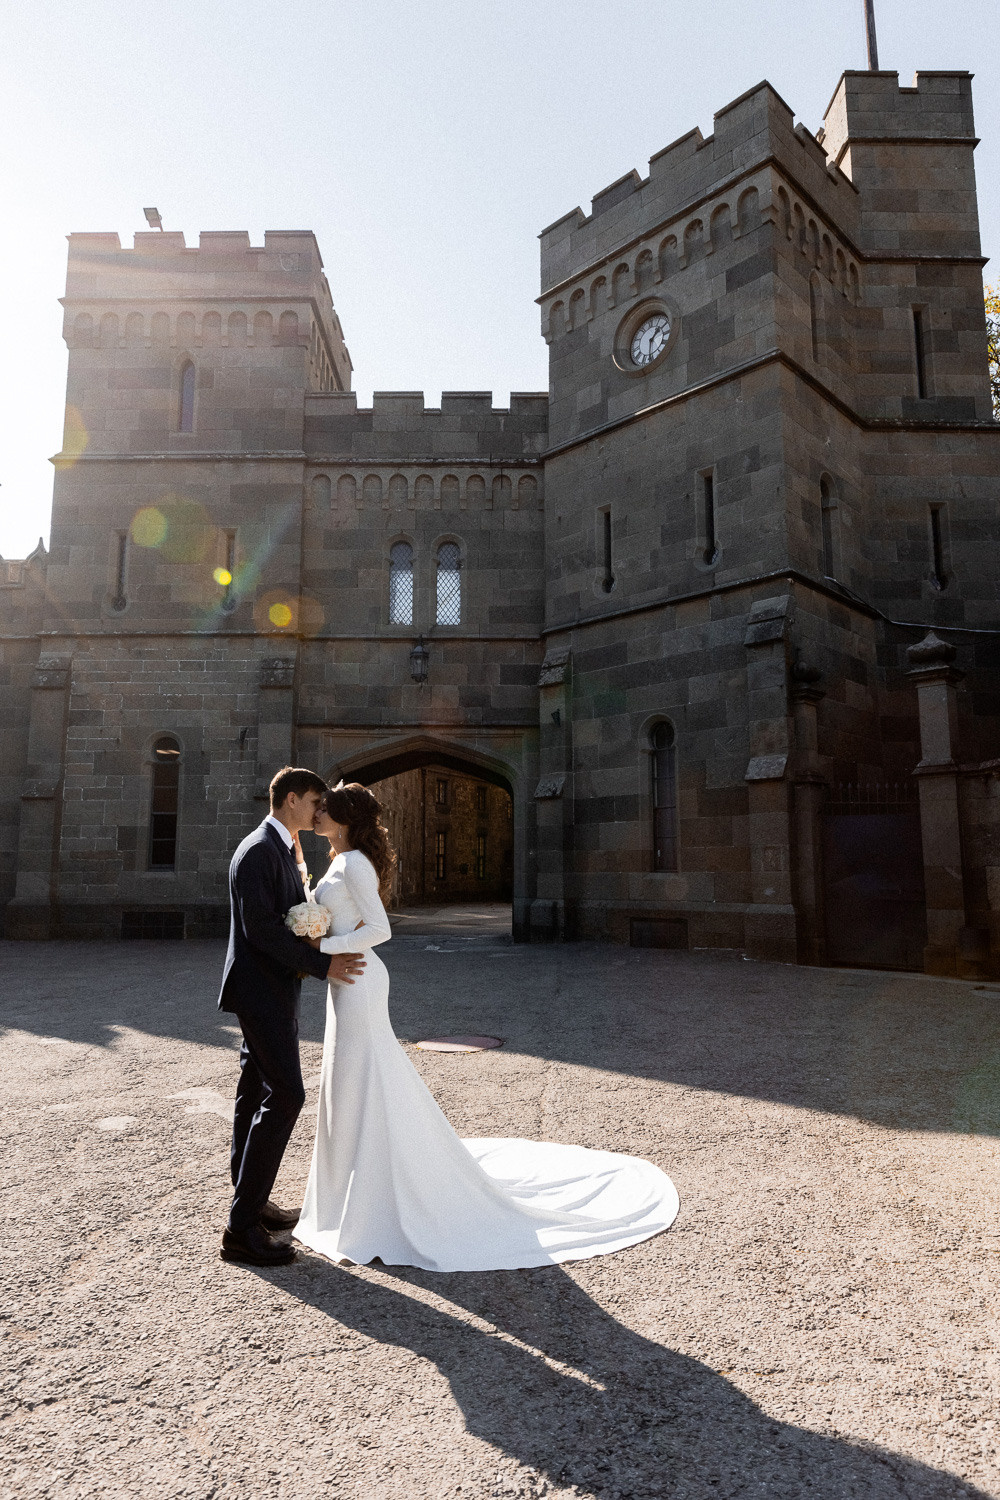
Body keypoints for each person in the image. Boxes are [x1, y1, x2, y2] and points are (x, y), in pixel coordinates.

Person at [293, 783, 679, 1272]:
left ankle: (373, 1192)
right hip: (346, 980)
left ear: (345, 817)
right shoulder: (339, 859)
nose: (317, 812)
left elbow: (381, 929)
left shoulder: (353, 864)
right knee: (353, 1079)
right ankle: (355, 1184)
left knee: (362, 1075)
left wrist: (321, 949)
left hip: (358, 976)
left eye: (326, 808)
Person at [217, 766, 366, 1267]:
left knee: (254, 1091)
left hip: (270, 988)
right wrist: (323, 964)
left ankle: (250, 1205)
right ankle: (241, 1231)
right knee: (287, 1094)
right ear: (293, 799)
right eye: (314, 802)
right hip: (260, 991)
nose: (319, 810)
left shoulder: (282, 848)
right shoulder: (259, 850)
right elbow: (261, 931)